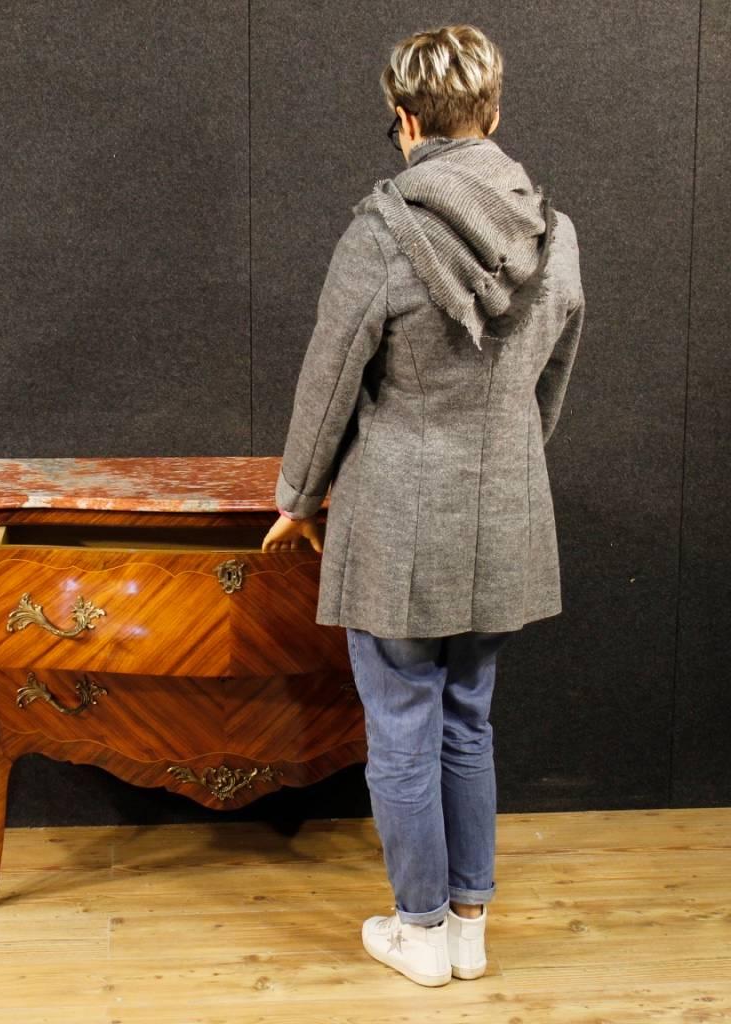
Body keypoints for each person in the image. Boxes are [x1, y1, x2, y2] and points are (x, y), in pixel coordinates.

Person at [260, 24, 585, 988]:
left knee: (401, 720)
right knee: (468, 718)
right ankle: (471, 928)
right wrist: (509, 460)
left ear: (405, 120)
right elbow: (551, 381)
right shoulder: (552, 233)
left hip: (396, 517)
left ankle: (421, 930)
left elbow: (328, 383)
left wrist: (297, 494)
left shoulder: (381, 232)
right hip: (503, 512)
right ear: (493, 111)